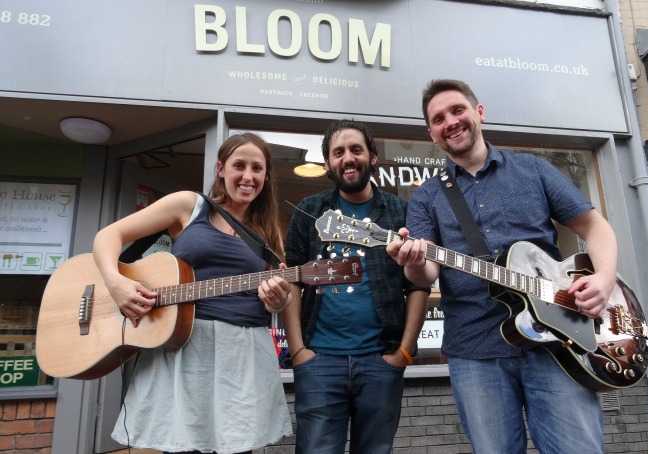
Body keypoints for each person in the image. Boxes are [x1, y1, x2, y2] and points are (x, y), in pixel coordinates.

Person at [387, 79, 618, 454]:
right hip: (476, 351)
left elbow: (595, 226)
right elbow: (426, 273)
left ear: (479, 112)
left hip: (558, 344)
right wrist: (412, 262)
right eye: (439, 118)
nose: (450, 122)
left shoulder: (534, 170)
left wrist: (604, 281)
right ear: (432, 134)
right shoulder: (427, 196)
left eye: (457, 110)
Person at [92, 133, 293, 454]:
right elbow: (108, 235)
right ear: (221, 169)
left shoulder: (269, 233)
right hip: (183, 346)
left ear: (266, 178)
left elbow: (280, 295)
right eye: (239, 165)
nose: (248, 176)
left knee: (236, 448)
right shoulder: (189, 205)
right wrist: (115, 282)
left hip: (243, 353)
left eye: (257, 168)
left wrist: (279, 299)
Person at [283, 119, 430, 454]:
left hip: (381, 361)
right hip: (319, 361)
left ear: (372, 157)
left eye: (355, 149)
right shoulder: (310, 211)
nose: (347, 158)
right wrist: (298, 352)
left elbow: (418, 286)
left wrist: (404, 351)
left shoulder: (400, 212)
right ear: (328, 164)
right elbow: (292, 279)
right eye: (338, 152)